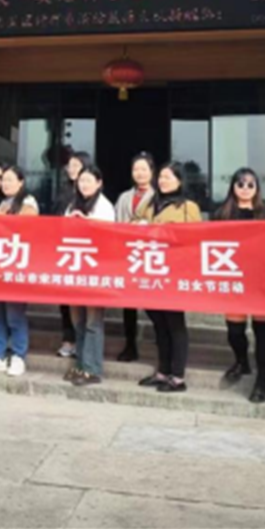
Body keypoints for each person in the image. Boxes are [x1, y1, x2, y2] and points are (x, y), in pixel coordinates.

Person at [213, 168, 265, 403]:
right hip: (233, 278)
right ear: (233, 186)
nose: (245, 188)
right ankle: (242, 361)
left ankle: (262, 381)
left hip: (261, 281)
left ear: (257, 188)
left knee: (262, 333)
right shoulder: (221, 214)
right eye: (240, 184)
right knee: (234, 331)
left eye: (250, 184)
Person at [139, 163, 202, 394]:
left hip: (175, 272)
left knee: (175, 323)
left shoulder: (188, 207)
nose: (163, 181)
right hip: (151, 270)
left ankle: (177, 376)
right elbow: (134, 224)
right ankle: (162, 371)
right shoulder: (150, 203)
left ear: (179, 180)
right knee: (158, 322)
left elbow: (195, 238)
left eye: (168, 177)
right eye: (161, 177)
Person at [0, 166, 38, 376]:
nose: (5, 184)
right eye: (3, 180)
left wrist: (1, 217)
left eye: (10, 180)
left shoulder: (28, 202)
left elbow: (26, 225)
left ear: (21, 182)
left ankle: (18, 355)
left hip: (16, 265)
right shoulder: (0, 202)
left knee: (14, 313)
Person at [64, 164, 115, 387]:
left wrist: (86, 222)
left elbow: (109, 234)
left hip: (96, 270)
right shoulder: (72, 204)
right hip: (74, 269)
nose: (84, 185)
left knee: (93, 322)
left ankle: (92, 369)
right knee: (78, 321)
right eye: (81, 181)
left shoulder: (105, 206)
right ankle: (81, 364)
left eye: (88, 181)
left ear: (99, 183)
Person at [114, 151, 158, 363]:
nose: (140, 173)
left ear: (152, 171)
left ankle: (161, 338)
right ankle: (130, 344)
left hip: (150, 255)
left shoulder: (157, 196)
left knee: (152, 301)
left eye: (144, 169)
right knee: (128, 303)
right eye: (136, 169)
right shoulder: (124, 197)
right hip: (127, 254)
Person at [54, 150, 90, 359]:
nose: (71, 169)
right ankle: (68, 339)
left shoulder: (93, 195)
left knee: (82, 300)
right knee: (65, 299)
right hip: (66, 250)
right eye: (70, 166)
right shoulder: (64, 192)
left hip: (86, 253)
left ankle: (82, 341)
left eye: (77, 165)